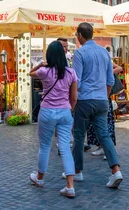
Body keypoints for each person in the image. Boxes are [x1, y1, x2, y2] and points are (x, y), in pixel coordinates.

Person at [71, 22, 123, 189]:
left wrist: (72, 101)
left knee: (79, 136)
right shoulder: (104, 52)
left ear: (79, 35)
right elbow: (110, 79)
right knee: (104, 135)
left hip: (85, 100)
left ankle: (77, 171)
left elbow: (76, 81)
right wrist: (105, 97)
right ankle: (116, 171)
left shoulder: (79, 53)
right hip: (102, 99)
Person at [28, 41, 78, 198]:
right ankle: (70, 186)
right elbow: (74, 97)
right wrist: (69, 109)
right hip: (64, 112)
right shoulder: (71, 73)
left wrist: (42, 63)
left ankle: (40, 178)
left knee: (44, 146)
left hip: (48, 112)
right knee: (65, 148)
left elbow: (30, 73)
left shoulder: (45, 71)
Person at [87, 62, 122, 159]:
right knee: (95, 123)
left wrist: (108, 73)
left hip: (104, 95)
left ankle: (108, 149)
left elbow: (119, 68)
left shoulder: (105, 59)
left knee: (106, 123)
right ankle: (101, 147)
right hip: (94, 95)